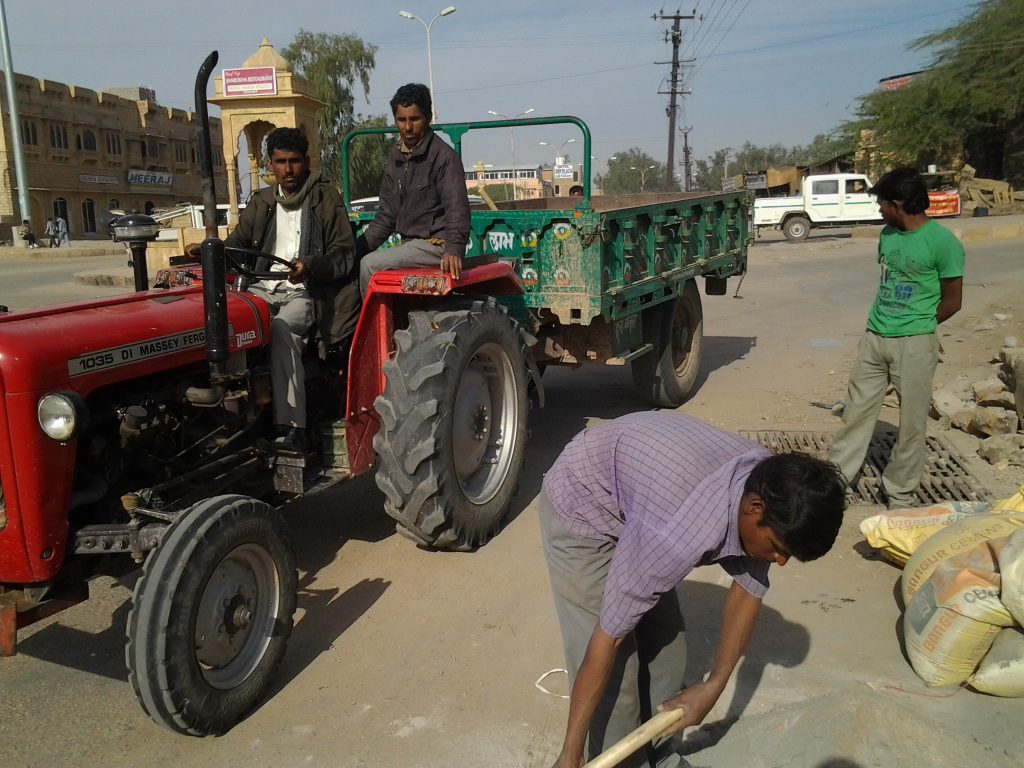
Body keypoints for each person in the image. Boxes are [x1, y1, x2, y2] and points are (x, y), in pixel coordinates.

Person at [541, 411, 846, 768]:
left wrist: (712, 688)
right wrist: (570, 752)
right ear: (754, 508)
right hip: (584, 506)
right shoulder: (675, 535)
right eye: (779, 548)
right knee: (618, 677)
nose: (779, 561)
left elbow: (748, 589)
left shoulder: (774, 486)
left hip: (647, 496)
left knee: (668, 653)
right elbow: (606, 641)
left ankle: (661, 753)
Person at [214, 127, 358, 453]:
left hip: (306, 294)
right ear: (270, 164)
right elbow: (236, 245)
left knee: (281, 329)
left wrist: (311, 265)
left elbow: (344, 253)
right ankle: (233, 420)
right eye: (280, 162)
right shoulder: (262, 201)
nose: (288, 170)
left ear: (306, 162)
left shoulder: (324, 198)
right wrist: (213, 251)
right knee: (232, 324)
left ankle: (292, 428)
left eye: (294, 162)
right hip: (262, 289)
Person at [828, 167, 964, 508]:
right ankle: (836, 483)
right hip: (875, 338)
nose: (879, 209)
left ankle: (899, 492)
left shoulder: (943, 243)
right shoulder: (887, 235)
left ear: (899, 203)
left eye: (882, 202)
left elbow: (953, 301)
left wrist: (920, 329)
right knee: (855, 414)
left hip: (914, 343)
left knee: (912, 423)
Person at [358, 83, 470, 295]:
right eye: (401, 120)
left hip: (435, 246)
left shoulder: (443, 157)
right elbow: (386, 216)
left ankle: (375, 328)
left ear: (427, 118)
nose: (407, 127)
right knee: (354, 262)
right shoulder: (396, 157)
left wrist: (454, 249)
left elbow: (457, 209)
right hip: (410, 246)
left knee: (369, 265)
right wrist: (356, 248)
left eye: (414, 119)